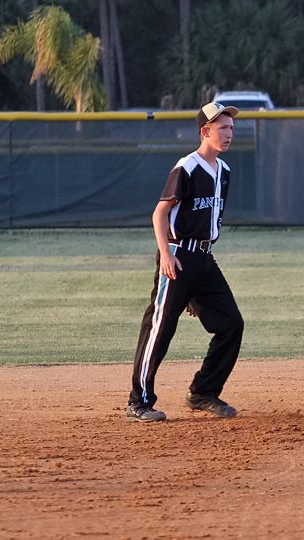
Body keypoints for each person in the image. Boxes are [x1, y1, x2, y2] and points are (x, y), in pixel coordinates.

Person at [126, 102, 245, 422]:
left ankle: (203, 391)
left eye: (231, 127)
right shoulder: (187, 167)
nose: (229, 132)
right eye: (222, 127)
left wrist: (196, 287)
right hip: (177, 257)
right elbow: (160, 213)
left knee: (231, 324)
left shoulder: (225, 171)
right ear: (205, 131)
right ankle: (139, 401)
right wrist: (165, 254)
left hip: (204, 259)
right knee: (159, 327)